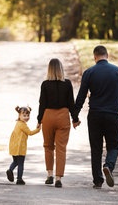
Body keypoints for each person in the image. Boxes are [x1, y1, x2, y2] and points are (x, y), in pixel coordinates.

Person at [75, 45, 118, 189]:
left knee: (96, 148)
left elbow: (81, 96)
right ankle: (108, 166)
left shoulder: (89, 72)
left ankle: (98, 180)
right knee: (114, 145)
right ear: (107, 55)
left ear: (95, 57)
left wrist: (74, 116)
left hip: (95, 115)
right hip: (112, 115)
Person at [37, 58, 81, 188]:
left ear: (49, 69)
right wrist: (75, 119)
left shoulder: (45, 84)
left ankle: (49, 174)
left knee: (48, 146)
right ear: (61, 68)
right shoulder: (67, 84)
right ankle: (58, 178)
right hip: (63, 116)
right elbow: (71, 104)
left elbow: (42, 104)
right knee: (61, 149)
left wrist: (39, 120)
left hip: (48, 116)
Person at [7, 106, 41, 185]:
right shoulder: (23, 125)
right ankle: (19, 179)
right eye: (24, 115)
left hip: (14, 147)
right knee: (21, 163)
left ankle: (10, 170)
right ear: (19, 115)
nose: (26, 117)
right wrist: (38, 130)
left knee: (15, 161)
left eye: (28, 115)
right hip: (20, 148)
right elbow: (30, 133)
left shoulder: (18, 124)